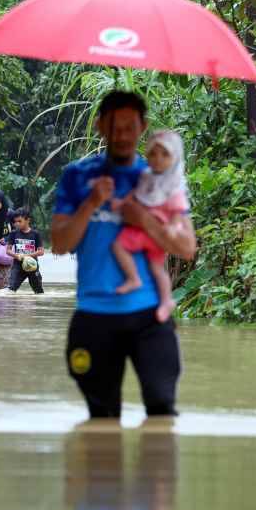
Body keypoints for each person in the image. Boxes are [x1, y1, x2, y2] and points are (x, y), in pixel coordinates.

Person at [50, 91, 196, 419]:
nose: (122, 135)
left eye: (130, 127)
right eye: (115, 127)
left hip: (150, 317)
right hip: (93, 315)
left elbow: (186, 247)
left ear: (143, 127)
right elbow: (59, 243)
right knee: (102, 417)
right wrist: (90, 203)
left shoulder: (158, 179)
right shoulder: (77, 176)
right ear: (100, 126)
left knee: (161, 409)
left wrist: (143, 218)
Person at [111, 129, 190, 323]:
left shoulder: (175, 186)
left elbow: (178, 213)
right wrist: (121, 204)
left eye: (165, 154)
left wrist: (172, 227)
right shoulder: (145, 178)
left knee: (157, 268)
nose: (158, 159)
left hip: (157, 231)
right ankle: (133, 279)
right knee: (118, 246)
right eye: (153, 154)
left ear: (175, 157)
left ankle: (166, 301)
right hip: (140, 231)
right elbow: (135, 196)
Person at [6, 208, 45, 294]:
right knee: (10, 290)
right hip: (17, 266)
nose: (17, 224)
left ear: (28, 220)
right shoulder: (13, 233)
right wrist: (17, 256)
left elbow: (41, 251)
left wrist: (27, 256)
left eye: (20, 221)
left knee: (39, 292)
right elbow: (8, 251)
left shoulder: (35, 234)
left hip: (32, 266)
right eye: (15, 222)